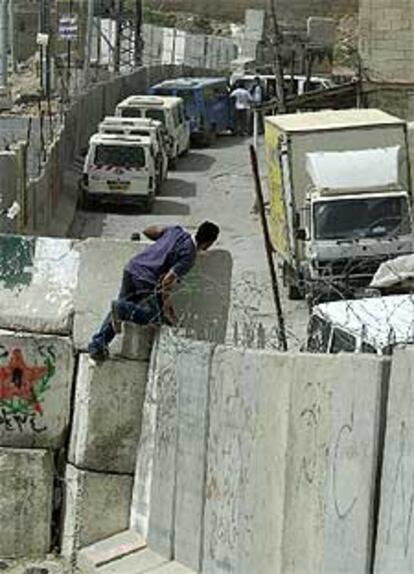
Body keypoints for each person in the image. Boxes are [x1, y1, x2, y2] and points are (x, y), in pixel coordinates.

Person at [87, 221, 220, 361]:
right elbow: (167, 281)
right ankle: (122, 310)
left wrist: (164, 244)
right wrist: (167, 308)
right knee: (152, 316)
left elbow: (148, 231)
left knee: (120, 309)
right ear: (208, 243)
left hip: (133, 267)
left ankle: (98, 345)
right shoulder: (189, 255)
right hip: (147, 279)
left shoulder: (176, 231)